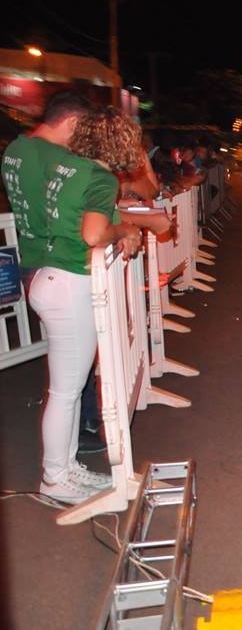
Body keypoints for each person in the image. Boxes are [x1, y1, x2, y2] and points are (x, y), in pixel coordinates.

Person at [2, 92, 142, 504]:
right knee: (66, 391)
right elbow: (94, 234)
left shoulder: (67, 166)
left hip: (49, 277)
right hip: (69, 283)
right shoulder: (99, 178)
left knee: (68, 386)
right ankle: (55, 477)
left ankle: (66, 468)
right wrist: (125, 231)